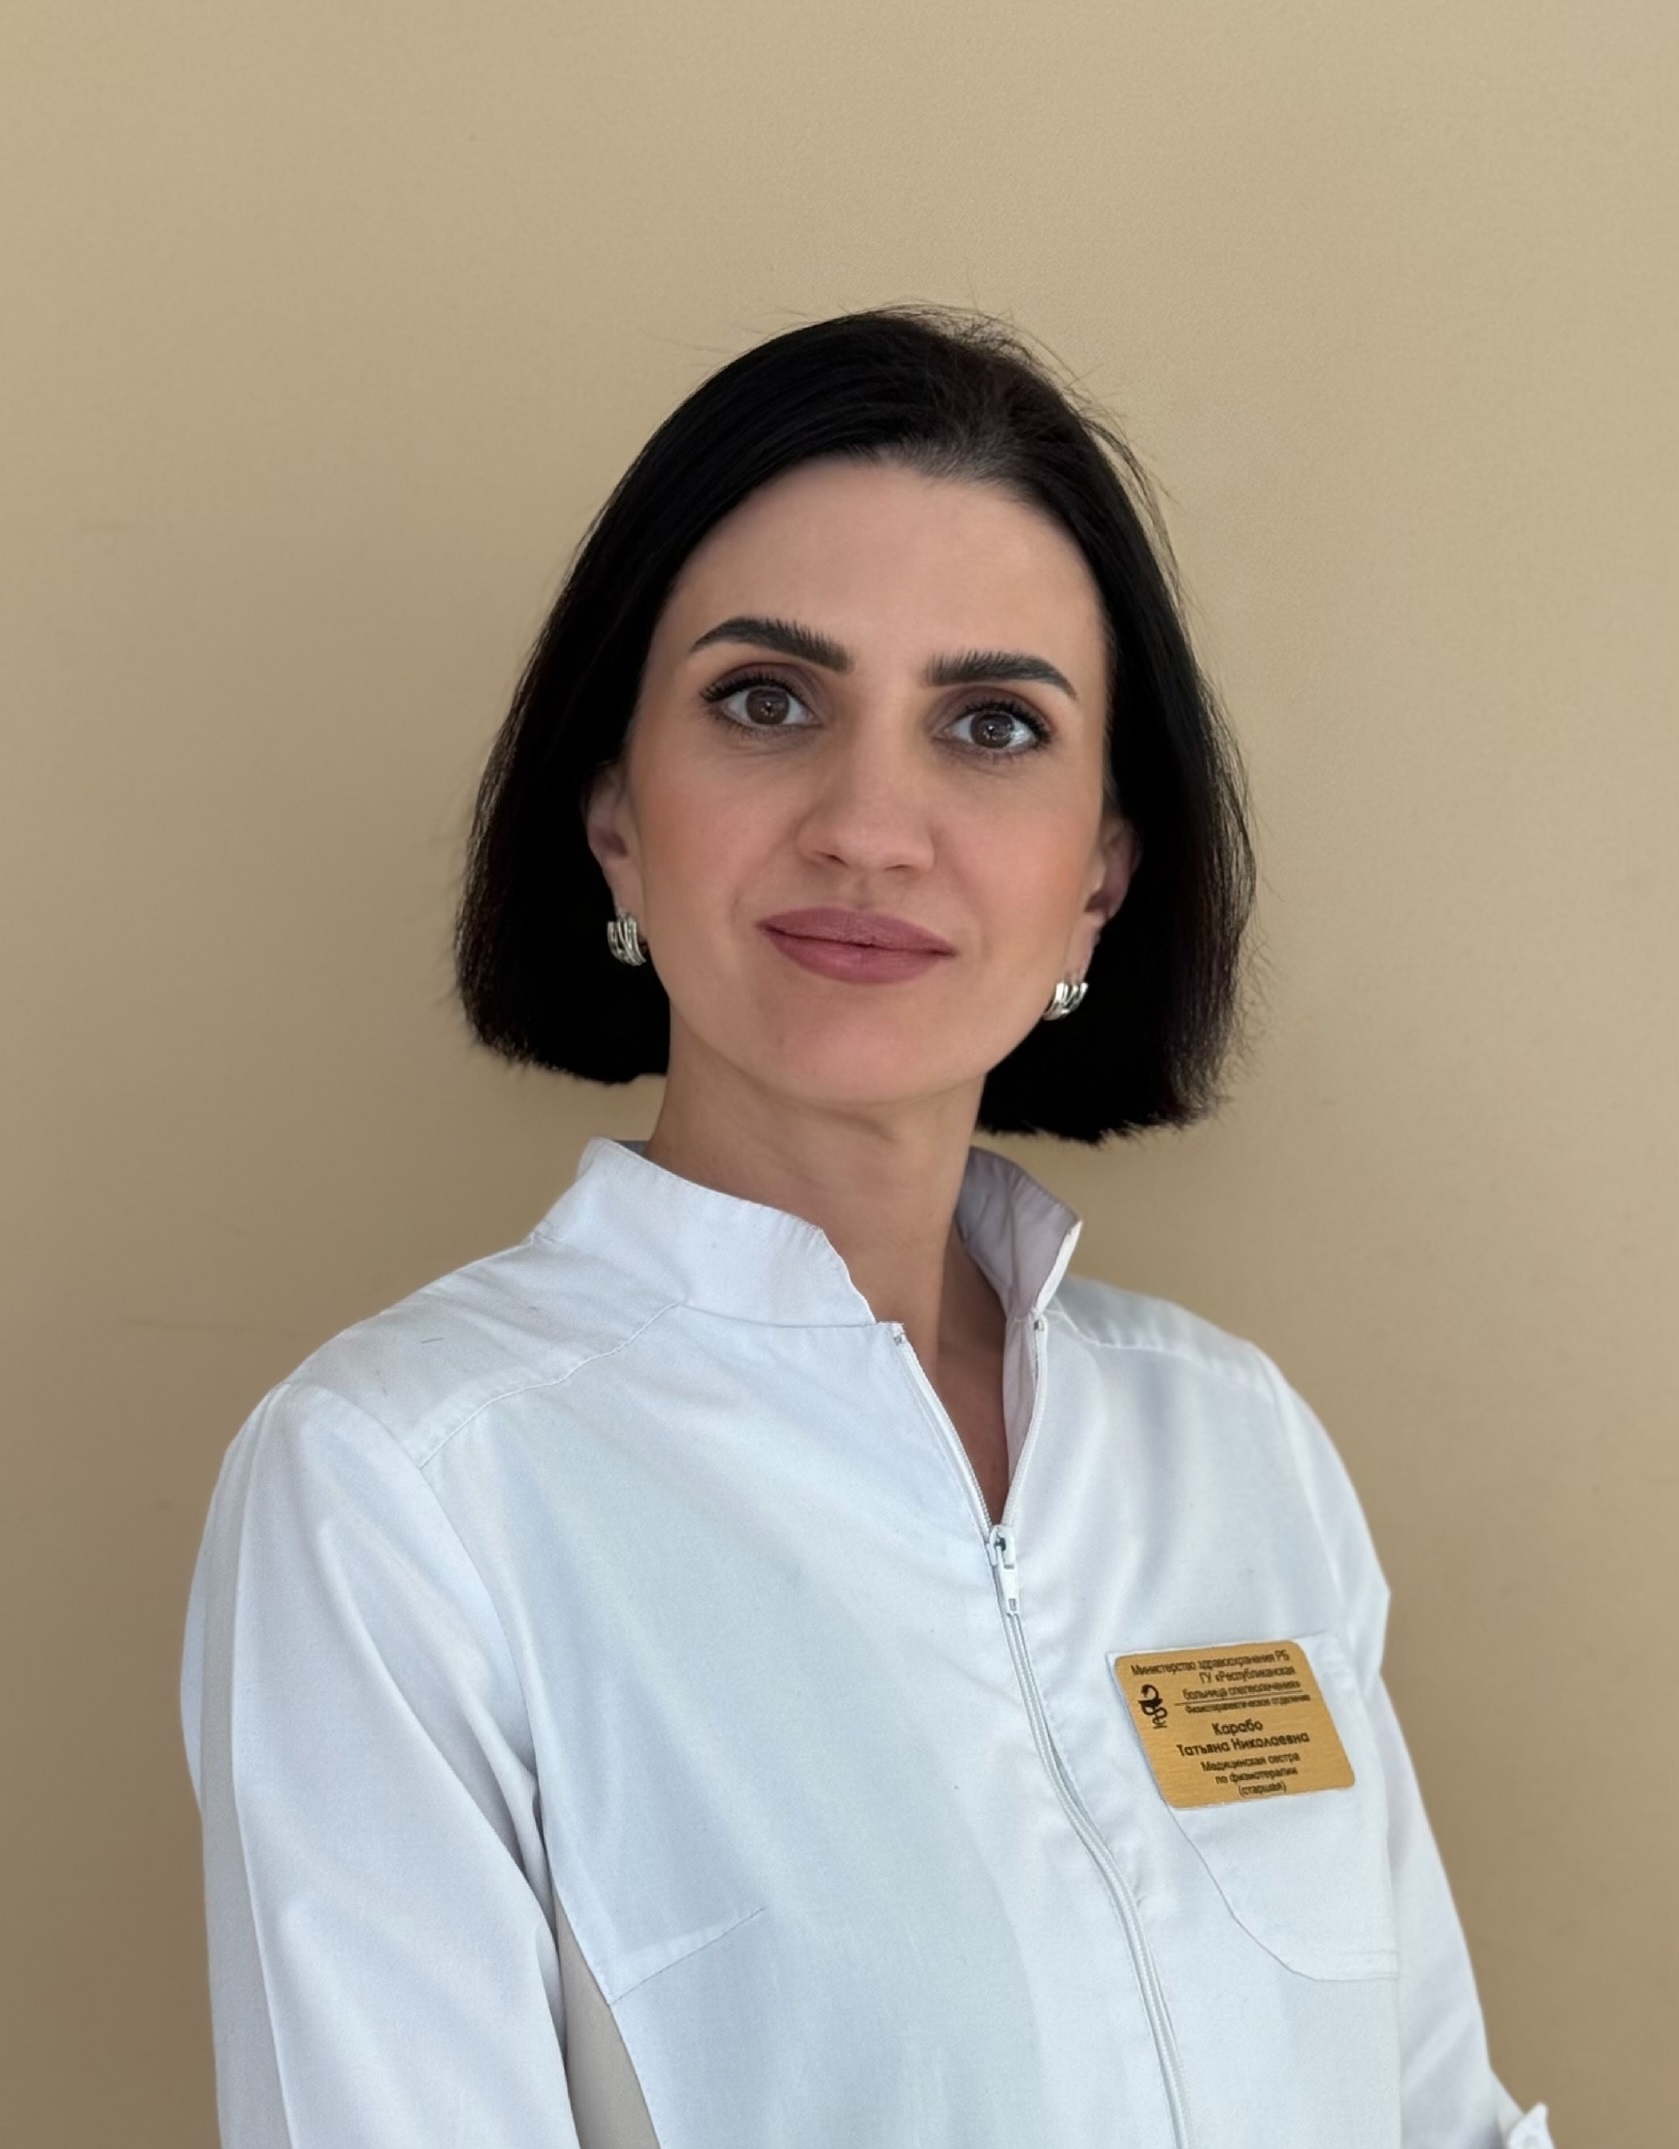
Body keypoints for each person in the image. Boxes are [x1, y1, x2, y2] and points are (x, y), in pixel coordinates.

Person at [182, 309, 1551, 2149]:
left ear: (1101, 876)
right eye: (768, 700)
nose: (871, 825)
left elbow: (1433, 2114)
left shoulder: (1239, 1449)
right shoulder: (406, 1492)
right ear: (613, 814)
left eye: (993, 726)